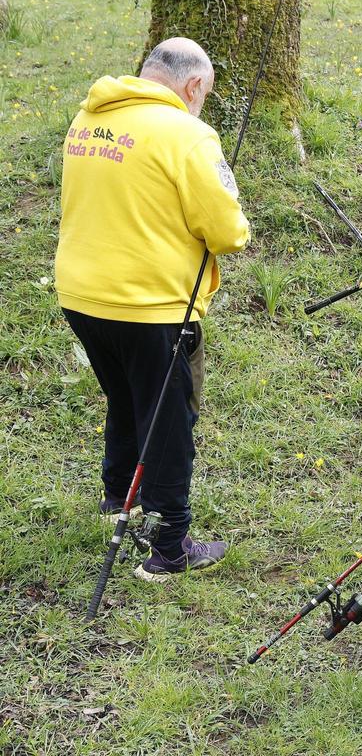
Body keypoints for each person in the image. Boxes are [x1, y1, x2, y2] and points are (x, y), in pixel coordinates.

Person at [56, 38, 249, 582]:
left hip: (80, 295)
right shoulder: (188, 133)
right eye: (204, 94)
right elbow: (227, 232)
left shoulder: (87, 120)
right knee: (169, 416)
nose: (202, 103)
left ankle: (118, 495)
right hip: (151, 305)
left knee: (125, 395)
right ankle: (169, 546)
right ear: (192, 86)